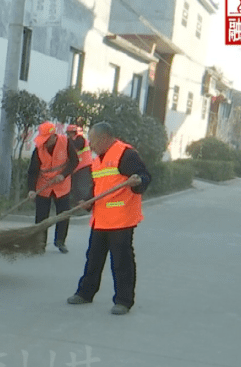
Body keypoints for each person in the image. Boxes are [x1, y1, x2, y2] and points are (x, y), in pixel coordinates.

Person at [66, 122, 151, 315]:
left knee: (121, 261)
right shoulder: (98, 160)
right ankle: (85, 293)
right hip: (101, 218)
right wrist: (88, 201)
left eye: (93, 142)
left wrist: (138, 181)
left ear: (105, 138)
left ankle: (123, 300)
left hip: (121, 218)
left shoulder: (126, 154)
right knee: (93, 258)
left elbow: (145, 176)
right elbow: (98, 187)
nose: (91, 146)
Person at [27, 121, 78, 253]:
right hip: (44, 185)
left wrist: (63, 174)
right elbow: (32, 171)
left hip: (62, 185)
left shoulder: (66, 142)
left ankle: (60, 241)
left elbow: (74, 161)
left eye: (46, 139)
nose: (44, 142)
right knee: (41, 216)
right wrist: (31, 190)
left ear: (53, 136)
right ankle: (40, 244)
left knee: (63, 214)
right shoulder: (38, 148)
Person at [67, 124, 93, 207]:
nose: (68, 135)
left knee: (82, 187)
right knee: (76, 187)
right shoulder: (73, 140)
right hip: (78, 167)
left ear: (73, 132)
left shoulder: (79, 139)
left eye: (69, 133)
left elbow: (76, 147)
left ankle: (85, 205)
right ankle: (78, 205)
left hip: (84, 166)